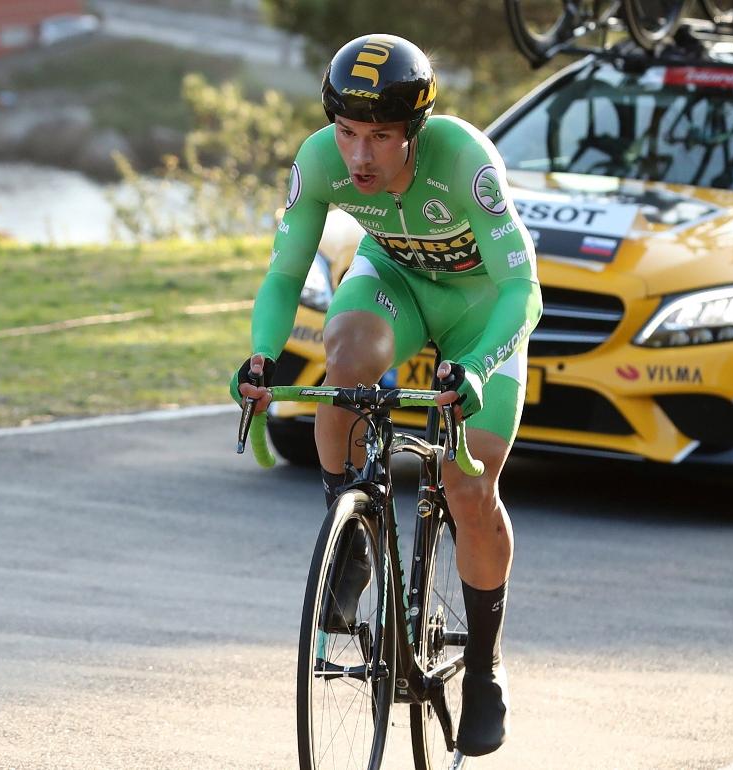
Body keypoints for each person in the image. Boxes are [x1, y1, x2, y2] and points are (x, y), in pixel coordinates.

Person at [233, 33, 541, 757]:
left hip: (481, 310)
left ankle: (486, 670)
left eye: (380, 138)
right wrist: (260, 354)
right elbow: (284, 277)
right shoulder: (319, 162)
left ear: (416, 131)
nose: (360, 157)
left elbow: (522, 291)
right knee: (341, 365)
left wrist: (475, 366)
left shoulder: (465, 162)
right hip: (396, 283)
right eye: (346, 134)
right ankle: (351, 530)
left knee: (470, 486)